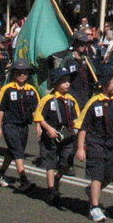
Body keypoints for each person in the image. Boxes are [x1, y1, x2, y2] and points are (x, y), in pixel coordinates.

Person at [76, 71, 113, 223]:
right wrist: (81, 148)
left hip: (112, 145)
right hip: (96, 143)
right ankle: (94, 207)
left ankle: (92, 191)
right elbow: (83, 127)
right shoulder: (94, 102)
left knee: (109, 176)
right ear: (105, 84)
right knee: (97, 174)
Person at [33, 68, 80, 205]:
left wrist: (76, 129)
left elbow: (78, 118)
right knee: (50, 162)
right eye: (64, 81)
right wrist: (47, 128)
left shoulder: (71, 100)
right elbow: (38, 116)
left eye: (68, 81)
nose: (67, 84)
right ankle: (51, 189)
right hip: (51, 134)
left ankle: (57, 178)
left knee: (67, 162)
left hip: (67, 136)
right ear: (56, 83)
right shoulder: (48, 99)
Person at [0, 58, 40, 191]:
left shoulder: (31, 90)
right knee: (18, 151)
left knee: (13, 152)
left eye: (25, 72)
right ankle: (24, 179)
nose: (22, 75)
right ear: (14, 73)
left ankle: (0, 174)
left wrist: (38, 125)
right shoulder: (7, 89)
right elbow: (1, 109)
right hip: (10, 124)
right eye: (19, 72)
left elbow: (37, 110)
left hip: (24, 125)